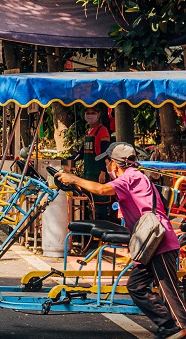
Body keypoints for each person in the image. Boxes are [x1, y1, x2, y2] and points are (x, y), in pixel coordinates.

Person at [57, 143, 186, 339]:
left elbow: (101, 190)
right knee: (136, 286)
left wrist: (74, 178)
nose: (107, 168)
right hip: (148, 244)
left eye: (107, 163)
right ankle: (168, 325)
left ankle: (181, 326)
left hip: (160, 242)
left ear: (114, 164)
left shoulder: (131, 177)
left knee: (168, 290)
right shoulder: (131, 177)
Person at [74, 104, 112, 219]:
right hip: (88, 175)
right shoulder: (88, 132)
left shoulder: (103, 131)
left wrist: (103, 171)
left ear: (99, 114)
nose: (90, 116)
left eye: (93, 113)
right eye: (88, 113)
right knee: (88, 205)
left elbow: (105, 153)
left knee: (100, 207)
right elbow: (81, 153)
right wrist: (71, 159)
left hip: (98, 175)